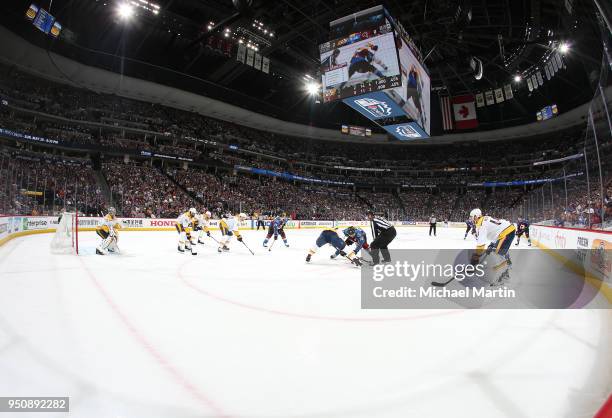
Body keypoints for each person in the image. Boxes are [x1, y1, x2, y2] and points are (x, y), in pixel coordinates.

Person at [469, 208, 516, 285]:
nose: (471, 219)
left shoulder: (481, 224)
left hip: (506, 233)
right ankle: (507, 263)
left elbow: (481, 244)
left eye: (471, 217)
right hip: (506, 231)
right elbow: (496, 230)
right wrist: (492, 244)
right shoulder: (484, 219)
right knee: (499, 253)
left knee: (497, 255)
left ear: (476, 216)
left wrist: (476, 257)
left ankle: (503, 277)